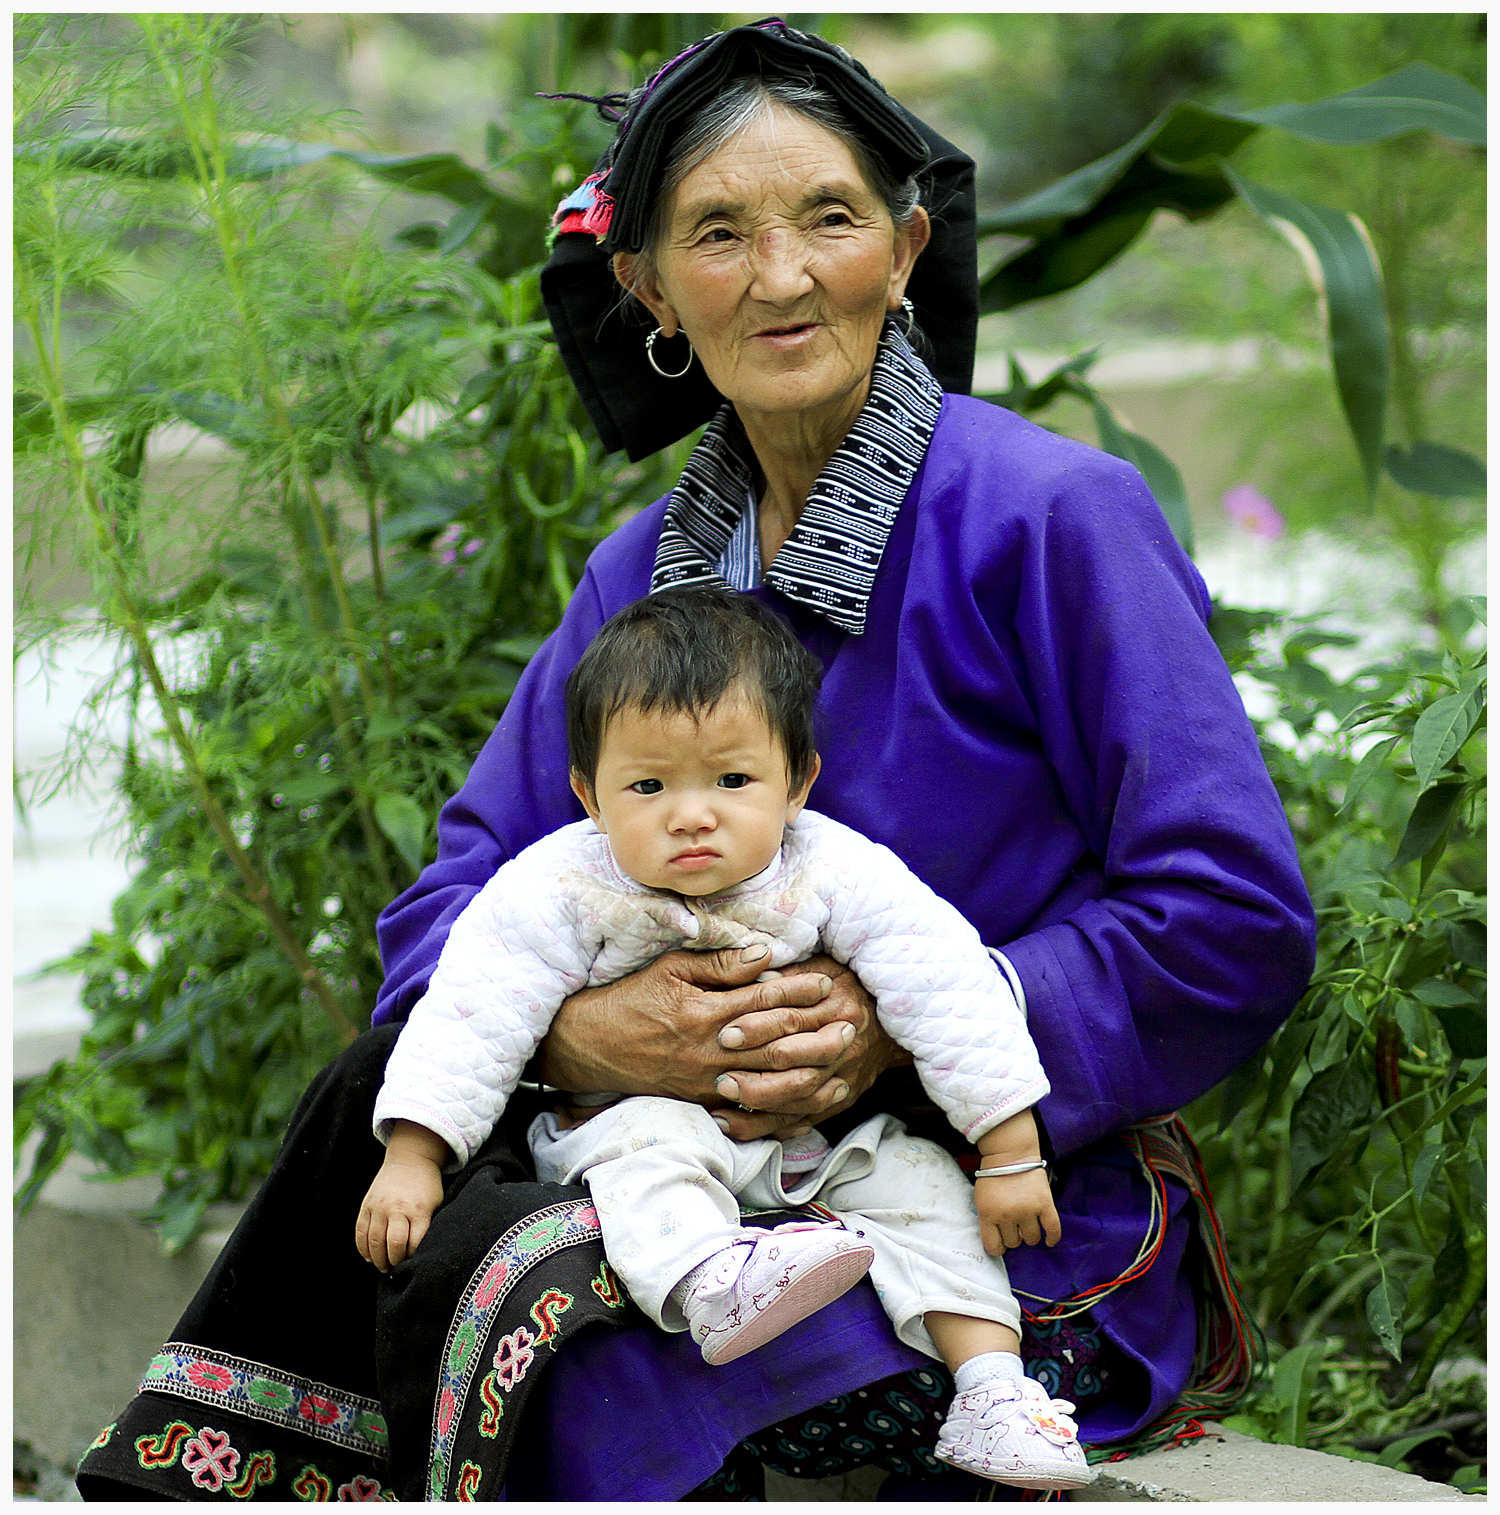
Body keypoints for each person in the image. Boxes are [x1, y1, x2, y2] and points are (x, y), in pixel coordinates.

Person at [77, 20, 1315, 1504]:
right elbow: (454, 904)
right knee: (396, 1155)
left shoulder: (1055, 518)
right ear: (653, 290)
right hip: (683, 1175)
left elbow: (1231, 912)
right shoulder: (642, 579)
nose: (782, 277)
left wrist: (895, 1026)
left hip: (992, 1222)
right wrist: (585, 1033)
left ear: (907, 249)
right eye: (720, 234)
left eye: (831, 219)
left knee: (560, 1342)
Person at [358, 587, 1095, 1491]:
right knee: (649, 1150)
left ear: (798, 782)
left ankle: (992, 1387)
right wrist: (415, 1153)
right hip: (629, 1130)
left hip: (802, 1146)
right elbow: (474, 1009)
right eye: (649, 786)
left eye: (732, 781)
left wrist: (1009, 1148)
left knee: (922, 1181)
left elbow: (945, 983)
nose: (691, 814)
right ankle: (713, 1282)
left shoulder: (834, 867)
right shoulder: (557, 887)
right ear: (590, 796)